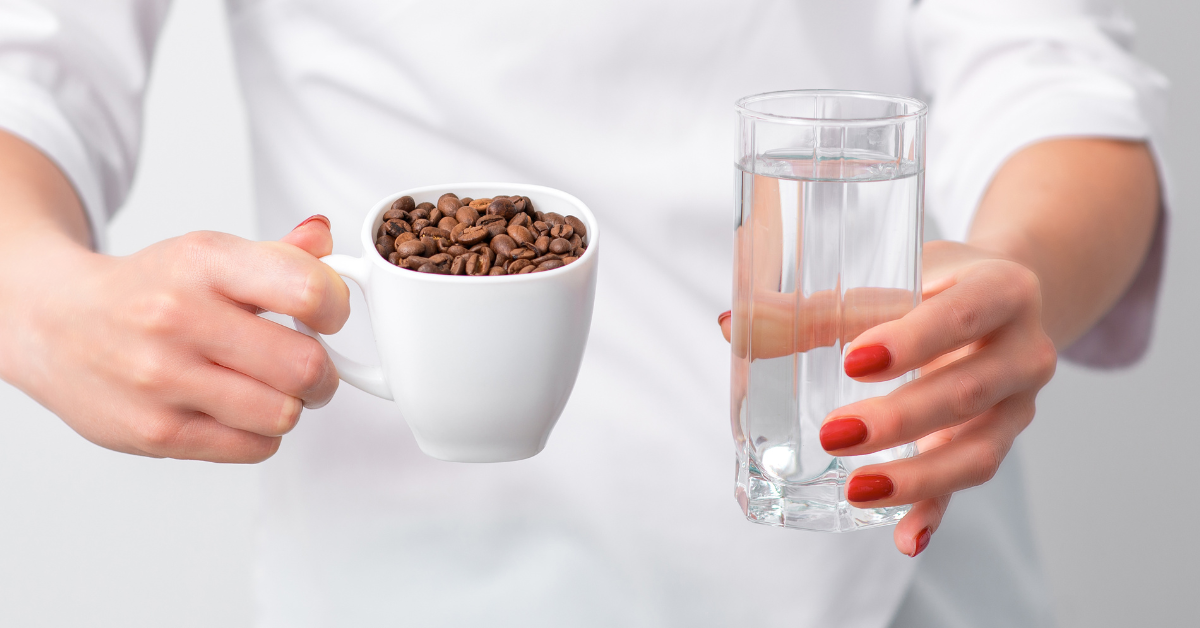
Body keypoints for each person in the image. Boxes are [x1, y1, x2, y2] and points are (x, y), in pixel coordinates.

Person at [0, 1, 1167, 626]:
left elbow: (1052, 79)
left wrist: (1010, 274)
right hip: (415, 582)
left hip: (886, 558)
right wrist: (45, 299)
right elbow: (27, 75)